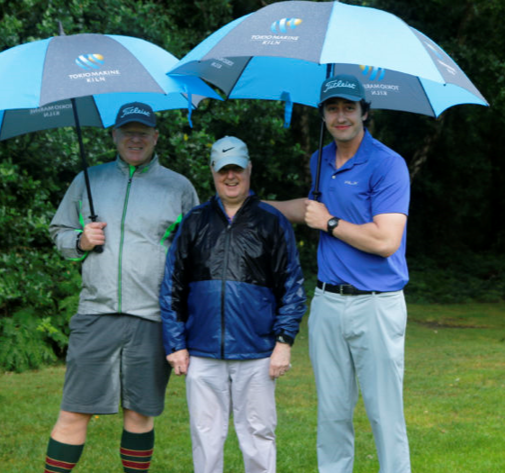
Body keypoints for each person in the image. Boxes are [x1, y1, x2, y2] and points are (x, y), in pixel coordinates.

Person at [44, 102, 199, 473]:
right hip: (95, 314)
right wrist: (80, 240)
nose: (135, 139)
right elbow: (59, 232)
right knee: (73, 411)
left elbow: (195, 253)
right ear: (114, 135)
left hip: (152, 317)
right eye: (127, 132)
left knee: (139, 414)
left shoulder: (178, 187)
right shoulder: (88, 180)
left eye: (143, 132)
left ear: (156, 137)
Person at [270, 74, 411, 473]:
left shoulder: (388, 163)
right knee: (332, 414)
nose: (341, 116)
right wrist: (253, 205)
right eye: (332, 108)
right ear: (323, 116)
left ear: (365, 112)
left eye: (350, 107)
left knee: (384, 414)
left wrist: (330, 223)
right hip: (327, 303)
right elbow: (308, 210)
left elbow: (385, 240)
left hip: (376, 305)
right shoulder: (320, 159)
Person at [160, 136, 307, 473]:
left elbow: (292, 286)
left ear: (249, 169)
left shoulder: (272, 221)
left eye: (237, 169)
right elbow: (172, 286)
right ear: (212, 171)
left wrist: (284, 342)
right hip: (201, 351)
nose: (230, 176)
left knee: (259, 435)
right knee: (205, 436)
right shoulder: (194, 221)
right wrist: (176, 344)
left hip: (257, 352)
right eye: (223, 169)